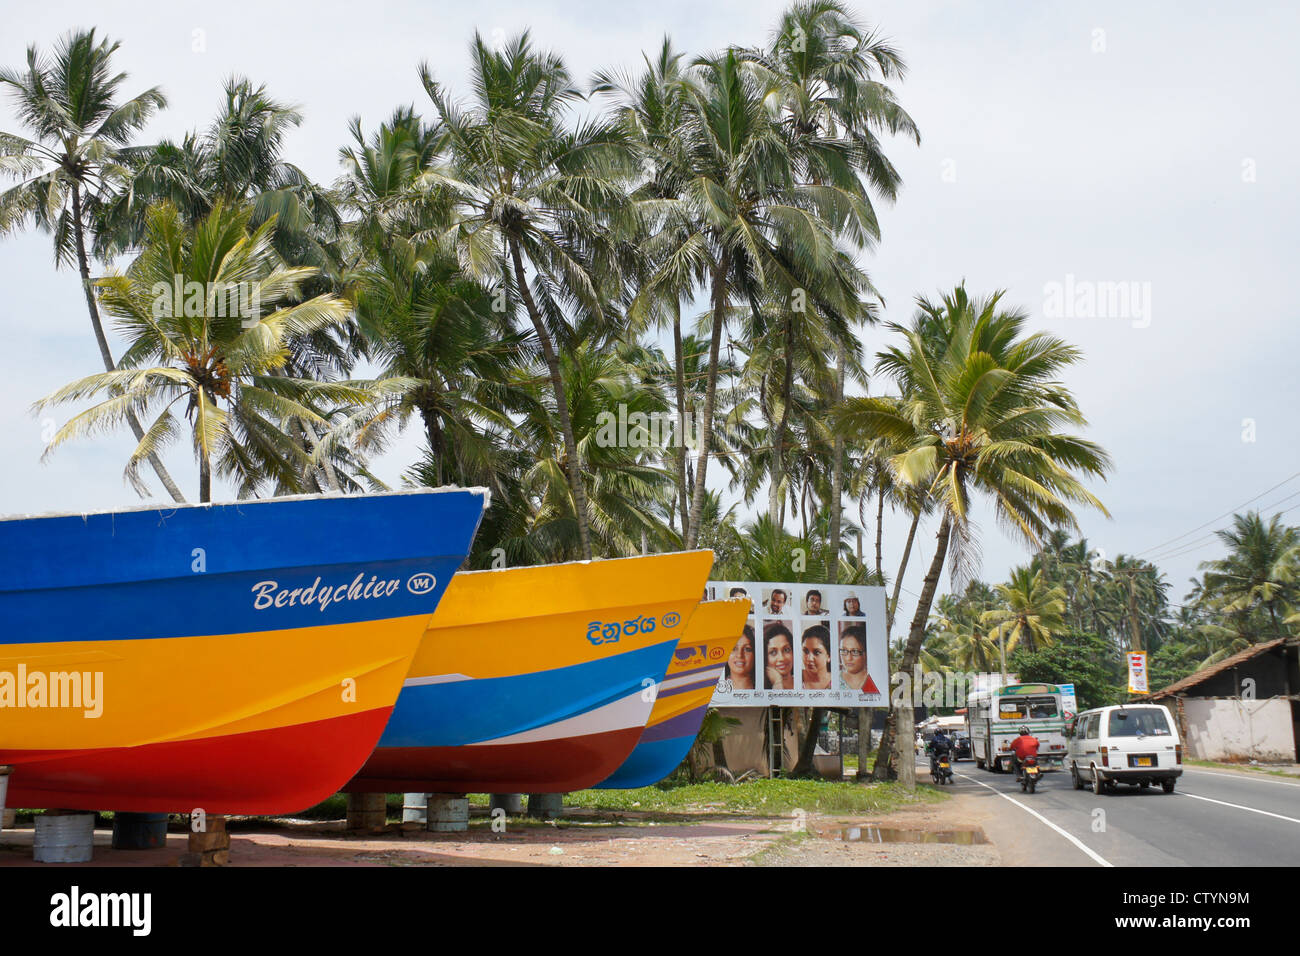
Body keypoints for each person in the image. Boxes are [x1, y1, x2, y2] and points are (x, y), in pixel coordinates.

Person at [838, 624, 871, 690]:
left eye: (855, 652)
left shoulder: (874, 680)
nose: (848, 658)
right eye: (844, 651)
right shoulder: (833, 681)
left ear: (866, 654)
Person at [763, 621, 795, 689]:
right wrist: (778, 683)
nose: (782, 658)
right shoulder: (760, 689)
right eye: (773, 652)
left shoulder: (806, 684)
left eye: (786, 650)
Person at [800, 624, 831, 689]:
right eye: (806, 651)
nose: (809, 658)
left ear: (829, 656)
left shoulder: (839, 682)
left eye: (817, 652)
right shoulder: (794, 679)